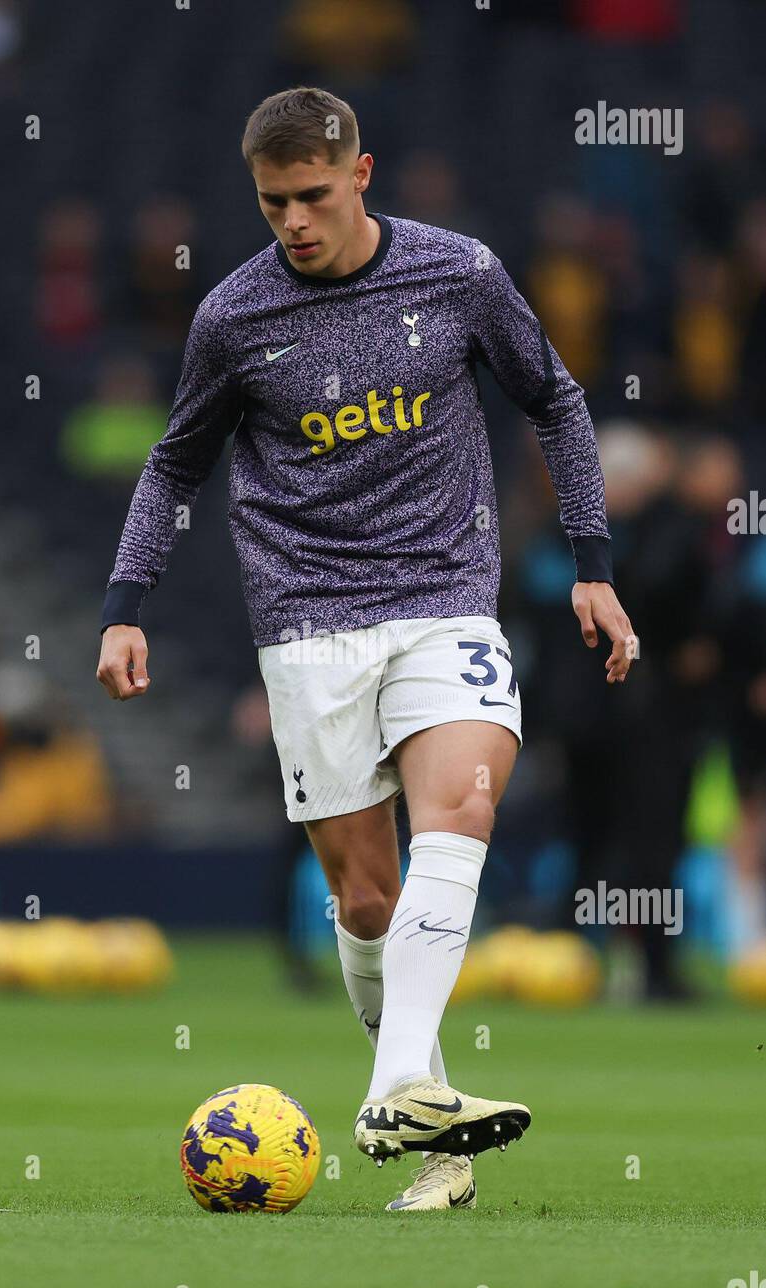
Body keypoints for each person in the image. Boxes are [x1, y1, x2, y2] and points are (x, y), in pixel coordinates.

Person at [96, 86, 636, 1212]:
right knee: (368, 903)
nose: (292, 220)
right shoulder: (233, 318)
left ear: (360, 174)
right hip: (308, 623)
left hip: (445, 599)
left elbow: (557, 399)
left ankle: (397, 1085)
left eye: (309, 196)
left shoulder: (459, 274)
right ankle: (440, 1135)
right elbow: (173, 464)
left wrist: (590, 562)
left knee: (464, 805)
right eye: (270, 201)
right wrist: (123, 601)